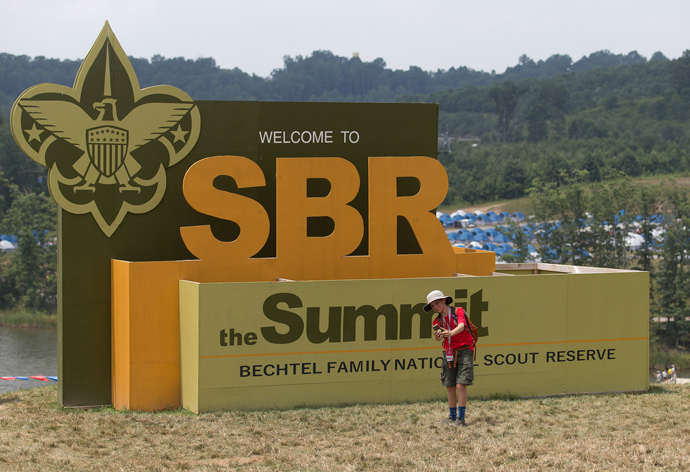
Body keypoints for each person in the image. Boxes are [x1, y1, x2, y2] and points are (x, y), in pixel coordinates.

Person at [425, 289, 474, 426]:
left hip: (465, 350)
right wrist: (438, 336)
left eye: (437, 303)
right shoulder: (437, 320)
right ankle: (452, 417)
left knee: (460, 385)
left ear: (444, 300)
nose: (436, 307)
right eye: (433, 306)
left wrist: (450, 333)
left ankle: (461, 418)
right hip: (449, 352)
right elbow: (436, 338)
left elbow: (462, 326)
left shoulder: (458, 311)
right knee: (450, 386)